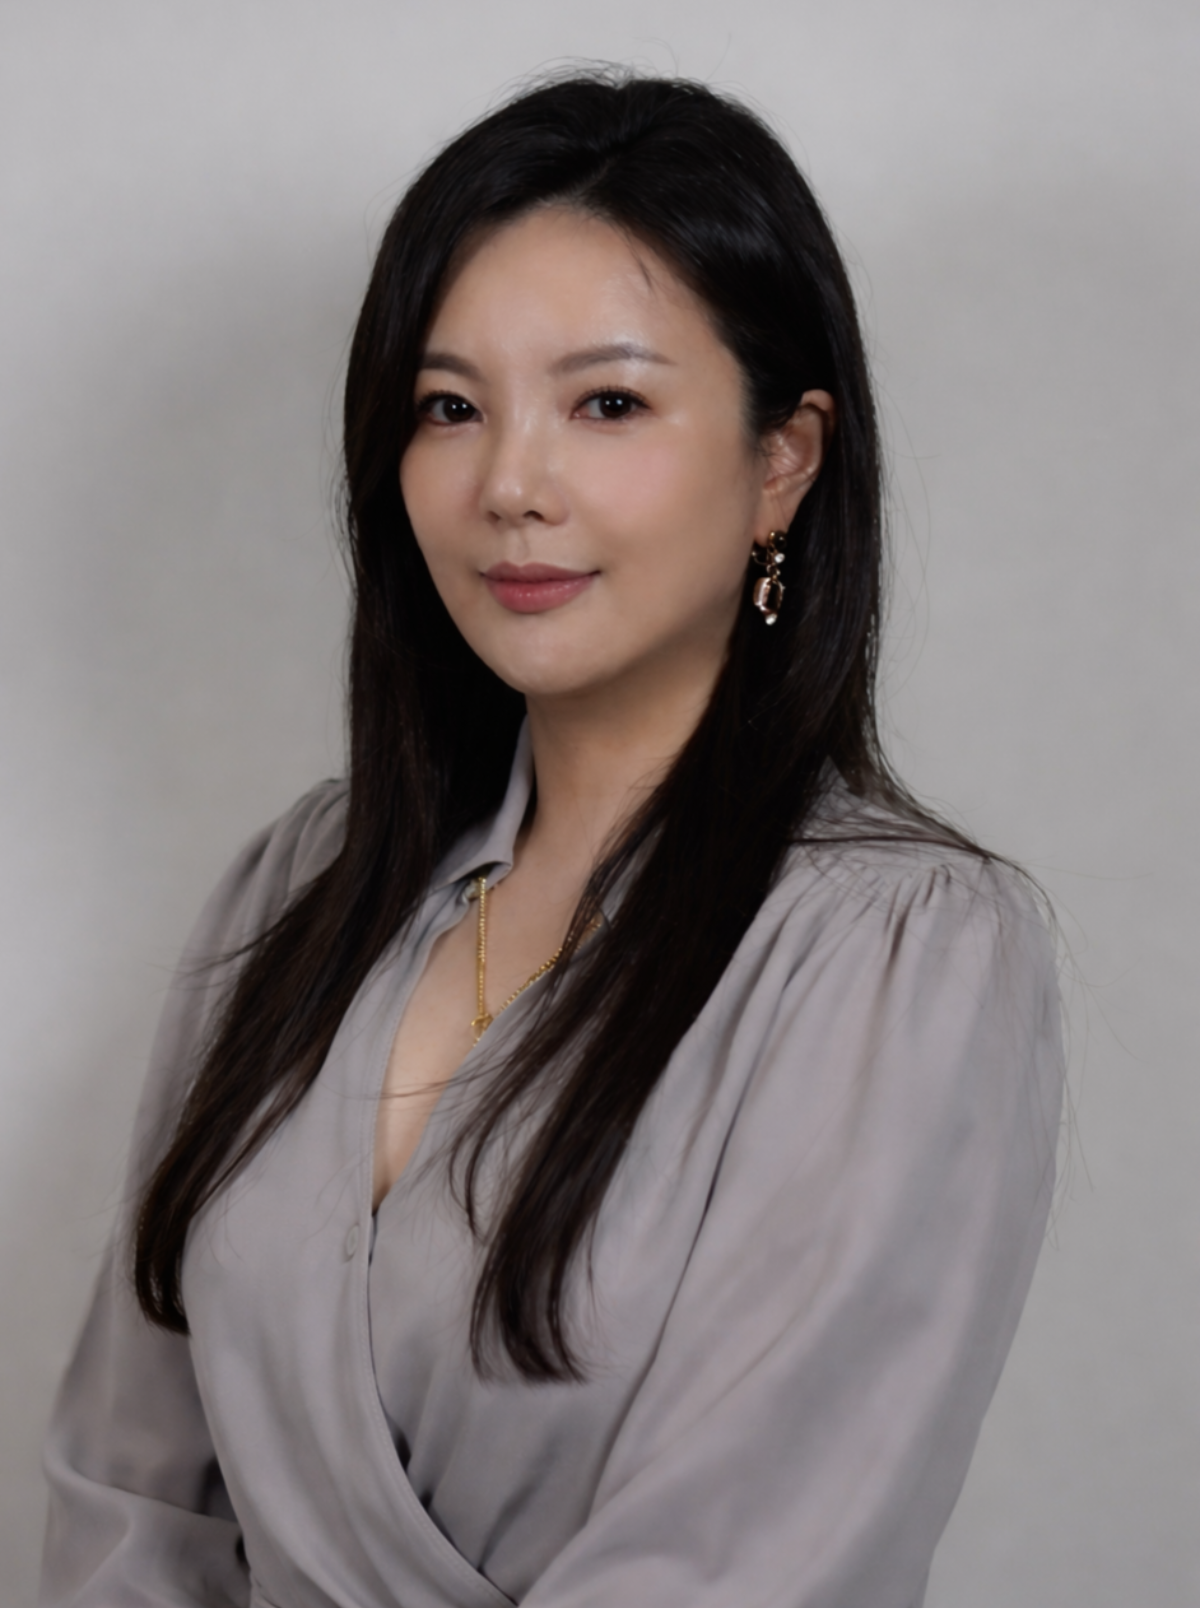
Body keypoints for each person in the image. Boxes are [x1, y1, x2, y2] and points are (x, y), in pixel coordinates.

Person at [39, 70, 1063, 1608]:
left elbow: (748, 1566)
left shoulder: (894, 958)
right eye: (450, 408)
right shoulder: (301, 887)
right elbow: (128, 1497)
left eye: (608, 404)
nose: (510, 486)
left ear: (782, 460)